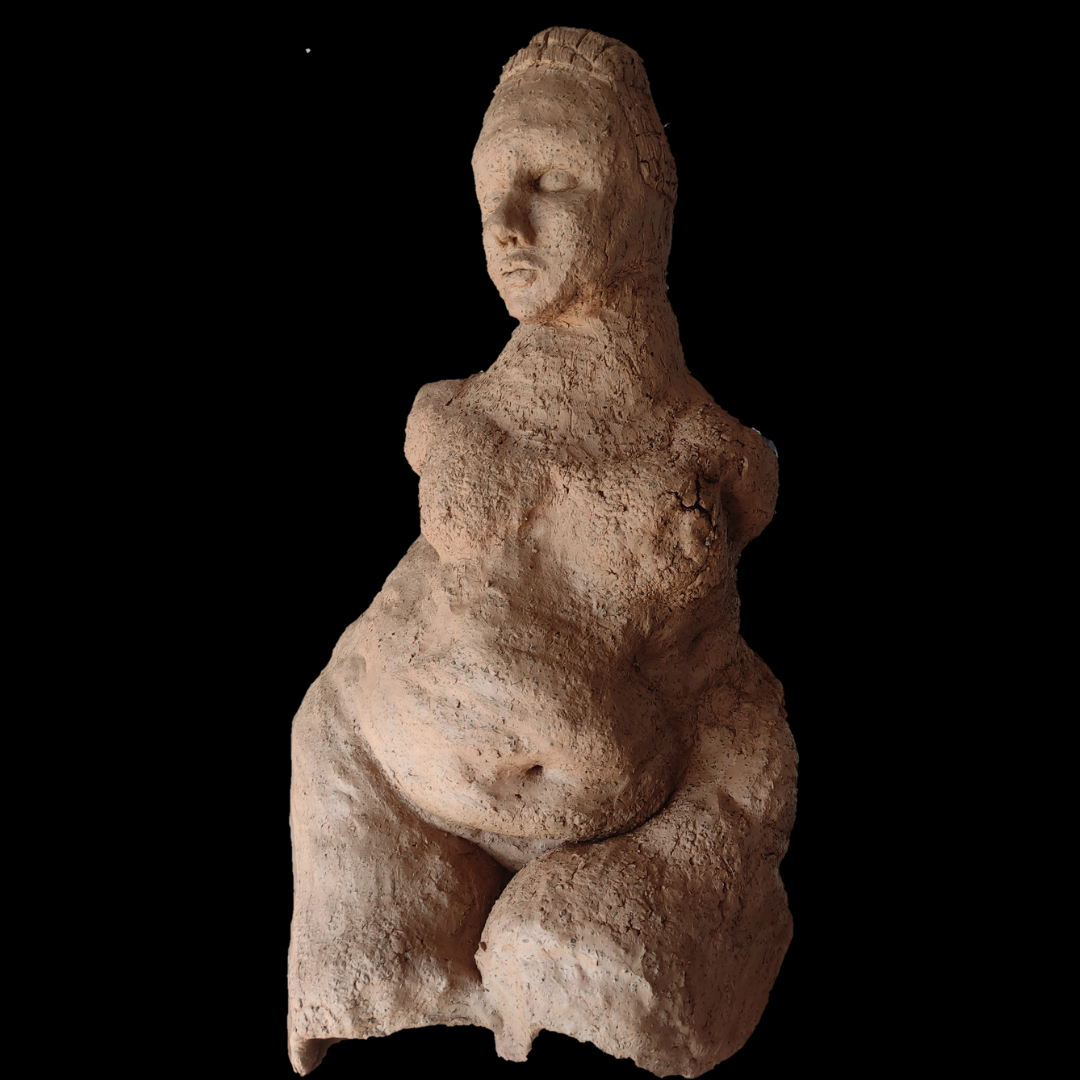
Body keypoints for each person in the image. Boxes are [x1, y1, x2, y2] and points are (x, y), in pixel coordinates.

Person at [288, 28, 795, 1078]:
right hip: (393, 777)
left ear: (644, 200)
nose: (505, 227)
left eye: (551, 179)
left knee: (581, 961)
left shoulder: (705, 453)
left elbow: (713, 653)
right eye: (489, 193)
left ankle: (564, 949)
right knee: (371, 964)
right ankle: (416, 950)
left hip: (618, 813)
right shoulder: (456, 411)